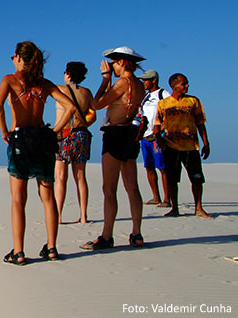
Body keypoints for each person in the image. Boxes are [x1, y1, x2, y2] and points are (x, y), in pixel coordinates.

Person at [0, 41, 77, 265]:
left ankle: (19, 251)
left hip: (20, 138)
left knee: (18, 199)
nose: (12, 59)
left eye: (13, 56)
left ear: (20, 58)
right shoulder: (44, 84)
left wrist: (4, 131)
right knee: (48, 197)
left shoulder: (10, 80)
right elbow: (70, 107)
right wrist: (55, 132)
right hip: (42, 139)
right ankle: (51, 248)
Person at [81, 46, 146, 250]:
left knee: (110, 188)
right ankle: (137, 233)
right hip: (130, 135)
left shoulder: (122, 82)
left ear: (122, 62)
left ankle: (107, 236)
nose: (112, 66)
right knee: (132, 187)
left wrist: (105, 79)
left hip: (115, 134)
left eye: (114, 63)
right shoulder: (138, 84)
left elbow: (97, 103)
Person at [154, 73, 212, 218]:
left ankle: (199, 207)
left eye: (186, 83)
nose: (187, 86)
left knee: (197, 178)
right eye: (184, 83)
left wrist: (206, 142)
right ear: (174, 86)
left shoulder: (193, 101)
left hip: (191, 147)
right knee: (172, 179)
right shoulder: (163, 104)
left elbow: (200, 123)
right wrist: (158, 139)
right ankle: (174, 208)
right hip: (170, 146)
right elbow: (157, 124)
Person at [54, 62, 96, 224]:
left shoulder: (60, 90)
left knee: (60, 177)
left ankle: (58, 215)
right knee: (80, 177)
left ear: (69, 74)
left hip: (64, 135)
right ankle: (84, 216)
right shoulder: (87, 93)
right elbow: (93, 115)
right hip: (82, 135)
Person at [136, 70, 171, 208]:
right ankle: (156, 196)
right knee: (149, 167)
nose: (143, 82)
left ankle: (167, 198)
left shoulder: (163, 94)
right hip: (145, 137)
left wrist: (161, 129)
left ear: (154, 80)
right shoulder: (145, 97)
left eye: (146, 80)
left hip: (158, 136)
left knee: (163, 168)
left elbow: (170, 112)